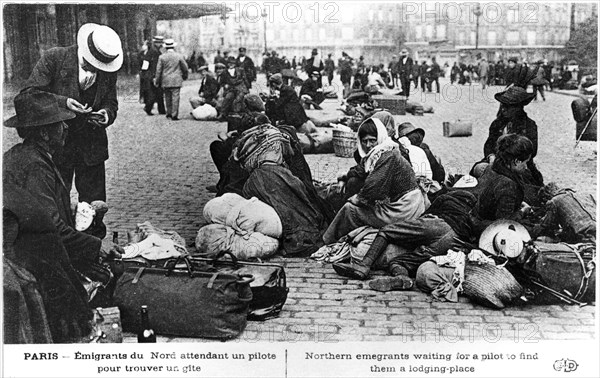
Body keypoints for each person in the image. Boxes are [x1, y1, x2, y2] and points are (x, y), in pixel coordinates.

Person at [3, 91, 123, 342]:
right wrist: (98, 246)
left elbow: (47, 212)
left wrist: (85, 212)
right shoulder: (35, 165)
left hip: (30, 241)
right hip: (28, 251)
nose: (67, 127)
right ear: (45, 133)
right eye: (60, 124)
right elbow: (50, 226)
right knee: (88, 292)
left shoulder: (29, 155)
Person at [21, 23, 122, 227]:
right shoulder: (55, 59)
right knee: (57, 201)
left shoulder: (108, 68)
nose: (97, 70)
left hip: (92, 145)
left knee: (95, 206)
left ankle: (93, 247)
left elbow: (111, 101)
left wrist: (106, 114)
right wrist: (64, 103)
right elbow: (27, 96)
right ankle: (60, 248)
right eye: (93, 64)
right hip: (57, 144)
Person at [332, 190, 476, 289]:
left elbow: (427, 214)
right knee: (399, 262)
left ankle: (363, 267)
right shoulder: (474, 211)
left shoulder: (447, 196)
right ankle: (402, 278)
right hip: (455, 243)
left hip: (440, 225)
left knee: (387, 231)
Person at [323, 118, 426, 244]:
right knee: (353, 196)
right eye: (364, 141)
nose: (368, 145)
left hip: (405, 208)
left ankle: (327, 241)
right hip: (402, 203)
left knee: (349, 209)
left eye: (372, 140)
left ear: (380, 137)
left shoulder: (388, 155)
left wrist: (356, 198)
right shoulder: (378, 153)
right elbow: (359, 170)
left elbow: (373, 188)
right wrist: (344, 178)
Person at [235, 124, 329, 256]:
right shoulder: (278, 173)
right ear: (273, 149)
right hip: (303, 232)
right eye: (279, 149)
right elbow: (305, 200)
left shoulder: (253, 179)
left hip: (289, 231)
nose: (282, 154)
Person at [482, 85, 544, 192]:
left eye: (507, 107)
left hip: (518, 164)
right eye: (502, 106)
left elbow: (532, 151)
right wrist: (491, 156)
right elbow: (489, 144)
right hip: (495, 162)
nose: (503, 109)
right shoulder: (497, 124)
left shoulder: (529, 125)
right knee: (478, 171)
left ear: (518, 108)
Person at [475, 134, 536, 232]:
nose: (526, 167)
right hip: (488, 228)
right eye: (525, 162)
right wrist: (523, 211)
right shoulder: (507, 184)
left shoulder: (495, 168)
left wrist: (520, 203)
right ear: (516, 161)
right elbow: (505, 223)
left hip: (482, 220)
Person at [154, 39, 188, 121]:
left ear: (165, 48)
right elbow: (185, 68)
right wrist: (184, 76)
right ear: (173, 46)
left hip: (165, 79)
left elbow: (158, 70)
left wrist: (157, 81)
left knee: (167, 97)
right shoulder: (179, 56)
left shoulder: (162, 57)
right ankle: (174, 114)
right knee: (175, 97)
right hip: (176, 79)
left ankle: (168, 113)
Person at [141, 36, 167, 116]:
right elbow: (155, 65)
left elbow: (145, 63)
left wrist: (144, 72)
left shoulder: (151, 50)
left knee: (157, 92)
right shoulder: (155, 52)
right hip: (153, 75)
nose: (161, 45)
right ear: (157, 43)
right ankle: (149, 108)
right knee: (155, 92)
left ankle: (161, 109)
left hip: (149, 74)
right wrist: (154, 76)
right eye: (160, 43)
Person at [219, 56, 249, 120]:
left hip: (240, 88)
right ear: (227, 64)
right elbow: (222, 82)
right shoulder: (224, 72)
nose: (231, 65)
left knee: (238, 99)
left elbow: (245, 80)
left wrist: (247, 89)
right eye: (229, 63)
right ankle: (223, 114)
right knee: (227, 98)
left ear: (235, 64)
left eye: (232, 63)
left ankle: (236, 114)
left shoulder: (240, 70)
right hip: (231, 88)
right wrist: (225, 85)